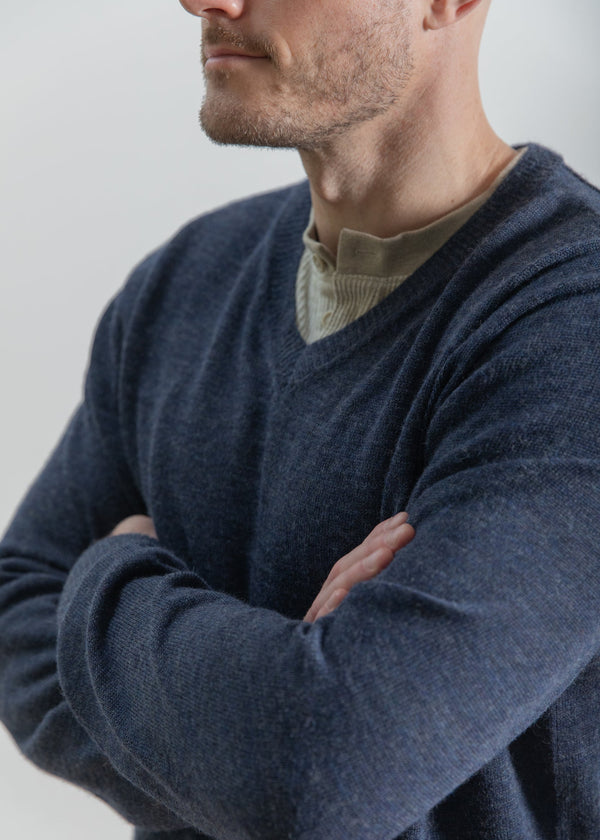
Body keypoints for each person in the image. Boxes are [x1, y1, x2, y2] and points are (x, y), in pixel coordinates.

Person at [1, 0, 599, 837]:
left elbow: (323, 768)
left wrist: (113, 571)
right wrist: (269, 719)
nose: (203, 0)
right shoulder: (182, 283)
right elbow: (11, 610)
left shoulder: (571, 322)